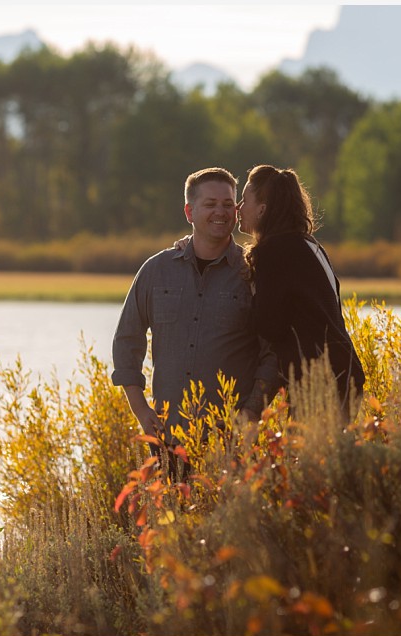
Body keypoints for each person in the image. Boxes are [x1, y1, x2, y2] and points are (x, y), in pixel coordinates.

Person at [112, 167, 277, 480]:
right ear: (189, 211)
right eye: (211, 204)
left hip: (230, 442)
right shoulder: (156, 271)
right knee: (171, 526)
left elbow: (273, 351)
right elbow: (126, 341)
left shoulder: (253, 275)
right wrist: (141, 411)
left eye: (228, 204)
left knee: (227, 527)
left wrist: (253, 412)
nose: (221, 212)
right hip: (167, 438)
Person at [236, 164, 365, 420]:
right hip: (343, 373)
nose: (238, 208)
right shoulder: (309, 244)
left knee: (308, 457)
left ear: (262, 209)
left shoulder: (274, 252)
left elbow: (270, 326)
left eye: (244, 200)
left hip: (319, 382)